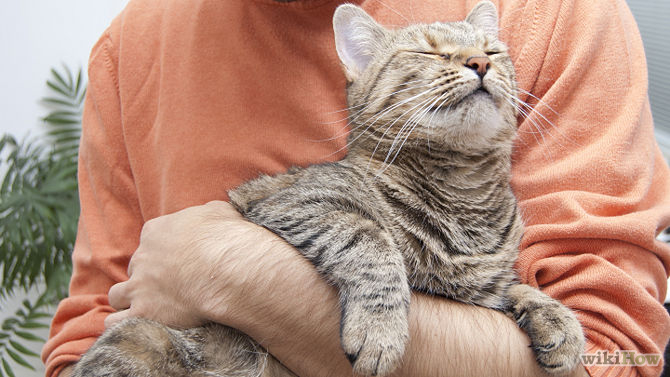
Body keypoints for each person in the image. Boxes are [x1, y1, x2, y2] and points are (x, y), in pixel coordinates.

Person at [42, 0, 670, 376]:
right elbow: (85, 336)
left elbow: (618, 361)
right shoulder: (129, 48)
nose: (478, 64)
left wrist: (232, 270)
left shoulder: (558, 16)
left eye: (487, 57)